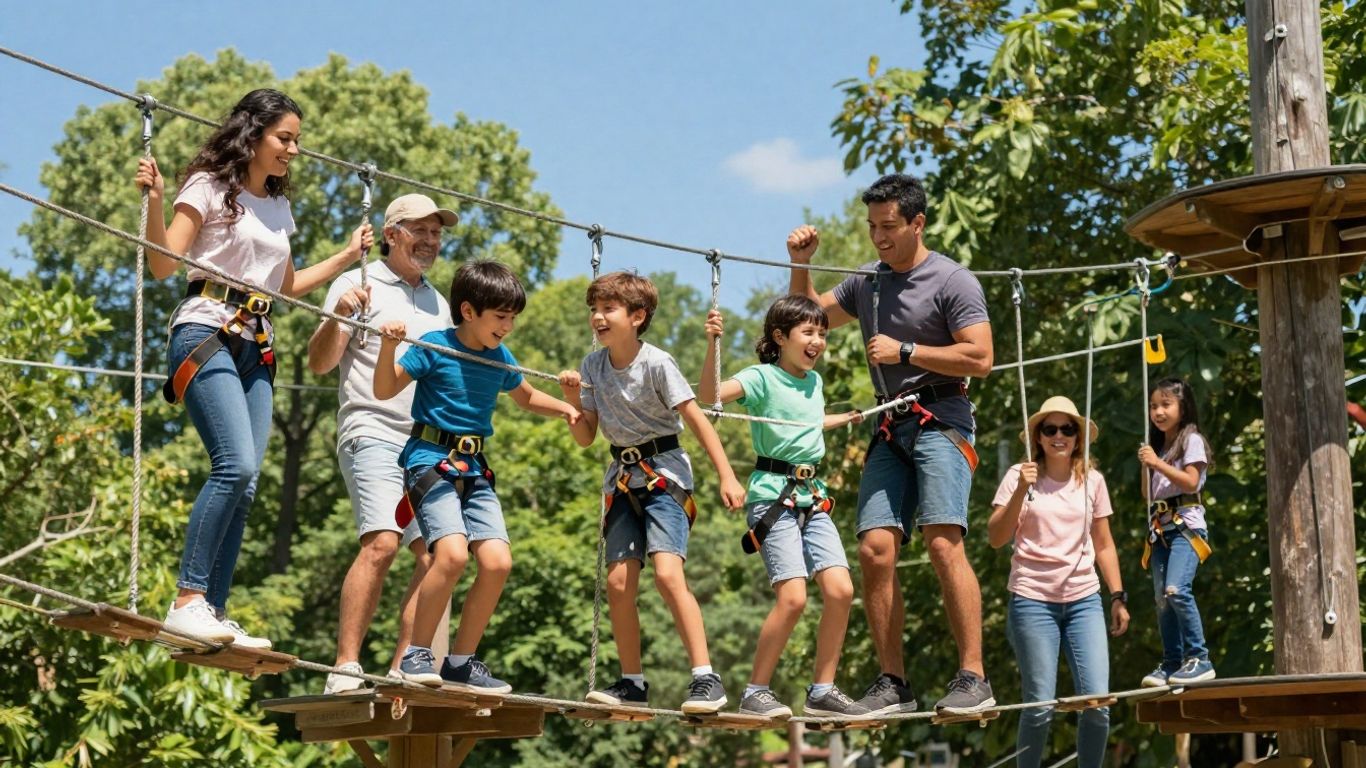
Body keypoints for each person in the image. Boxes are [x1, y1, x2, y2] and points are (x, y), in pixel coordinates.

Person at [136, 89, 372, 647]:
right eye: (284, 138)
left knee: (247, 486)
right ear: (254, 134)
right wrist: (156, 199)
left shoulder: (277, 206)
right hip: (206, 329)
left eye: (297, 139)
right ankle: (188, 599)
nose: (294, 149)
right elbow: (164, 263)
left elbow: (285, 287)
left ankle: (212, 612)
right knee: (234, 466)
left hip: (257, 344)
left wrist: (343, 256)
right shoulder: (209, 186)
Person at [786, 173, 995, 715]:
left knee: (942, 541)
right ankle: (892, 682)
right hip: (888, 424)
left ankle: (974, 676)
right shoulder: (868, 282)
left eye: (889, 227)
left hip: (942, 416)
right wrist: (802, 264)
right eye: (872, 227)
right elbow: (807, 321)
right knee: (875, 549)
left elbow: (981, 358)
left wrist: (906, 350)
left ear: (916, 223)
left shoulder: (953, 280)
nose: (879, 237)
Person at [374, 260, 579, 692]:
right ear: (469, 311)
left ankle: (461, 662)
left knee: (498, 562)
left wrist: (564, 406)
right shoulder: (434, 346)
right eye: (500, 317)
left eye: (513, 318)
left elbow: (525, 397)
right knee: (450, 556)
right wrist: (387, 347)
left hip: (475, 469)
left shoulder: (500, 357)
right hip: (429, 460)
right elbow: (385, 389)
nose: (508, 327)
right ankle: (417, 652)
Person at [556, 271, 745, 714]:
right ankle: (632, 682)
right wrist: (568, 399)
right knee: (619, 583)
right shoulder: (592, 366)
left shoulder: (657, 363)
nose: (598, 318)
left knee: (666, 573)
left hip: (665, 476)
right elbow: (586, 436)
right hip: (621, 478)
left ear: (637, 316)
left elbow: (697, 420)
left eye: (609, 309)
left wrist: (727, 475)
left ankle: (705, 677)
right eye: (595, 310)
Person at [308, 193, 457, 693]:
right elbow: (320, 363)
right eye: (421, 231)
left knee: (438, 557)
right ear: (391, 234)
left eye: (437, 233)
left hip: (424, 442)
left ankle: (402, 668)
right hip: (370, 428)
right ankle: (345, 666)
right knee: (382, 543)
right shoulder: (356, 283)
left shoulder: (441, 305)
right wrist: (340, 317)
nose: (431, 241)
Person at [699, 297, 869, 719]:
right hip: (773, 497)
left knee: (842, 590)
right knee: (793, 598)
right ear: (780, 337)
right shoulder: (761, 378)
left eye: (822, 335)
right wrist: (713, 346)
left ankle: (822, 689)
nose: (818, 342)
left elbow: (806, 420)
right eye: (809, 333)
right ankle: (756, 691)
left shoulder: (814, 383)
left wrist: (841, 418)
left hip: (813, 496)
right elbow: (708, 397)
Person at [988, 396, 1129, 768]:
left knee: (1097, 704)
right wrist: (1021, 488)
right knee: (1039, 707)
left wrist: (1118, 596)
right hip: (1032, 599)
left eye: (1067, 428)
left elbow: (1104, 544)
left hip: (1084, 599)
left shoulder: (1092, 482)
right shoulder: (1019, 476)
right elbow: (996, 537)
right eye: (1049, 429)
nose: (1059, 435)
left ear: (1078, 437)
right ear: (1038, 436)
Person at [1138, 377, 1216, 687]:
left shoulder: (1191, 440)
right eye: (1153, 406)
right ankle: (1172, 661)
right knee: (1161, 598)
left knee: (1176, 589)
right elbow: (1148, 496)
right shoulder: (1160, 447)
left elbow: (1191, 482)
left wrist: (1156, 463)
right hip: (1160, 528)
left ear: (1182, 409)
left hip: (1186, 526)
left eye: (1165, 404)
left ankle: (1199, 657)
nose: (1158, 411)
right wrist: (1149, 466)